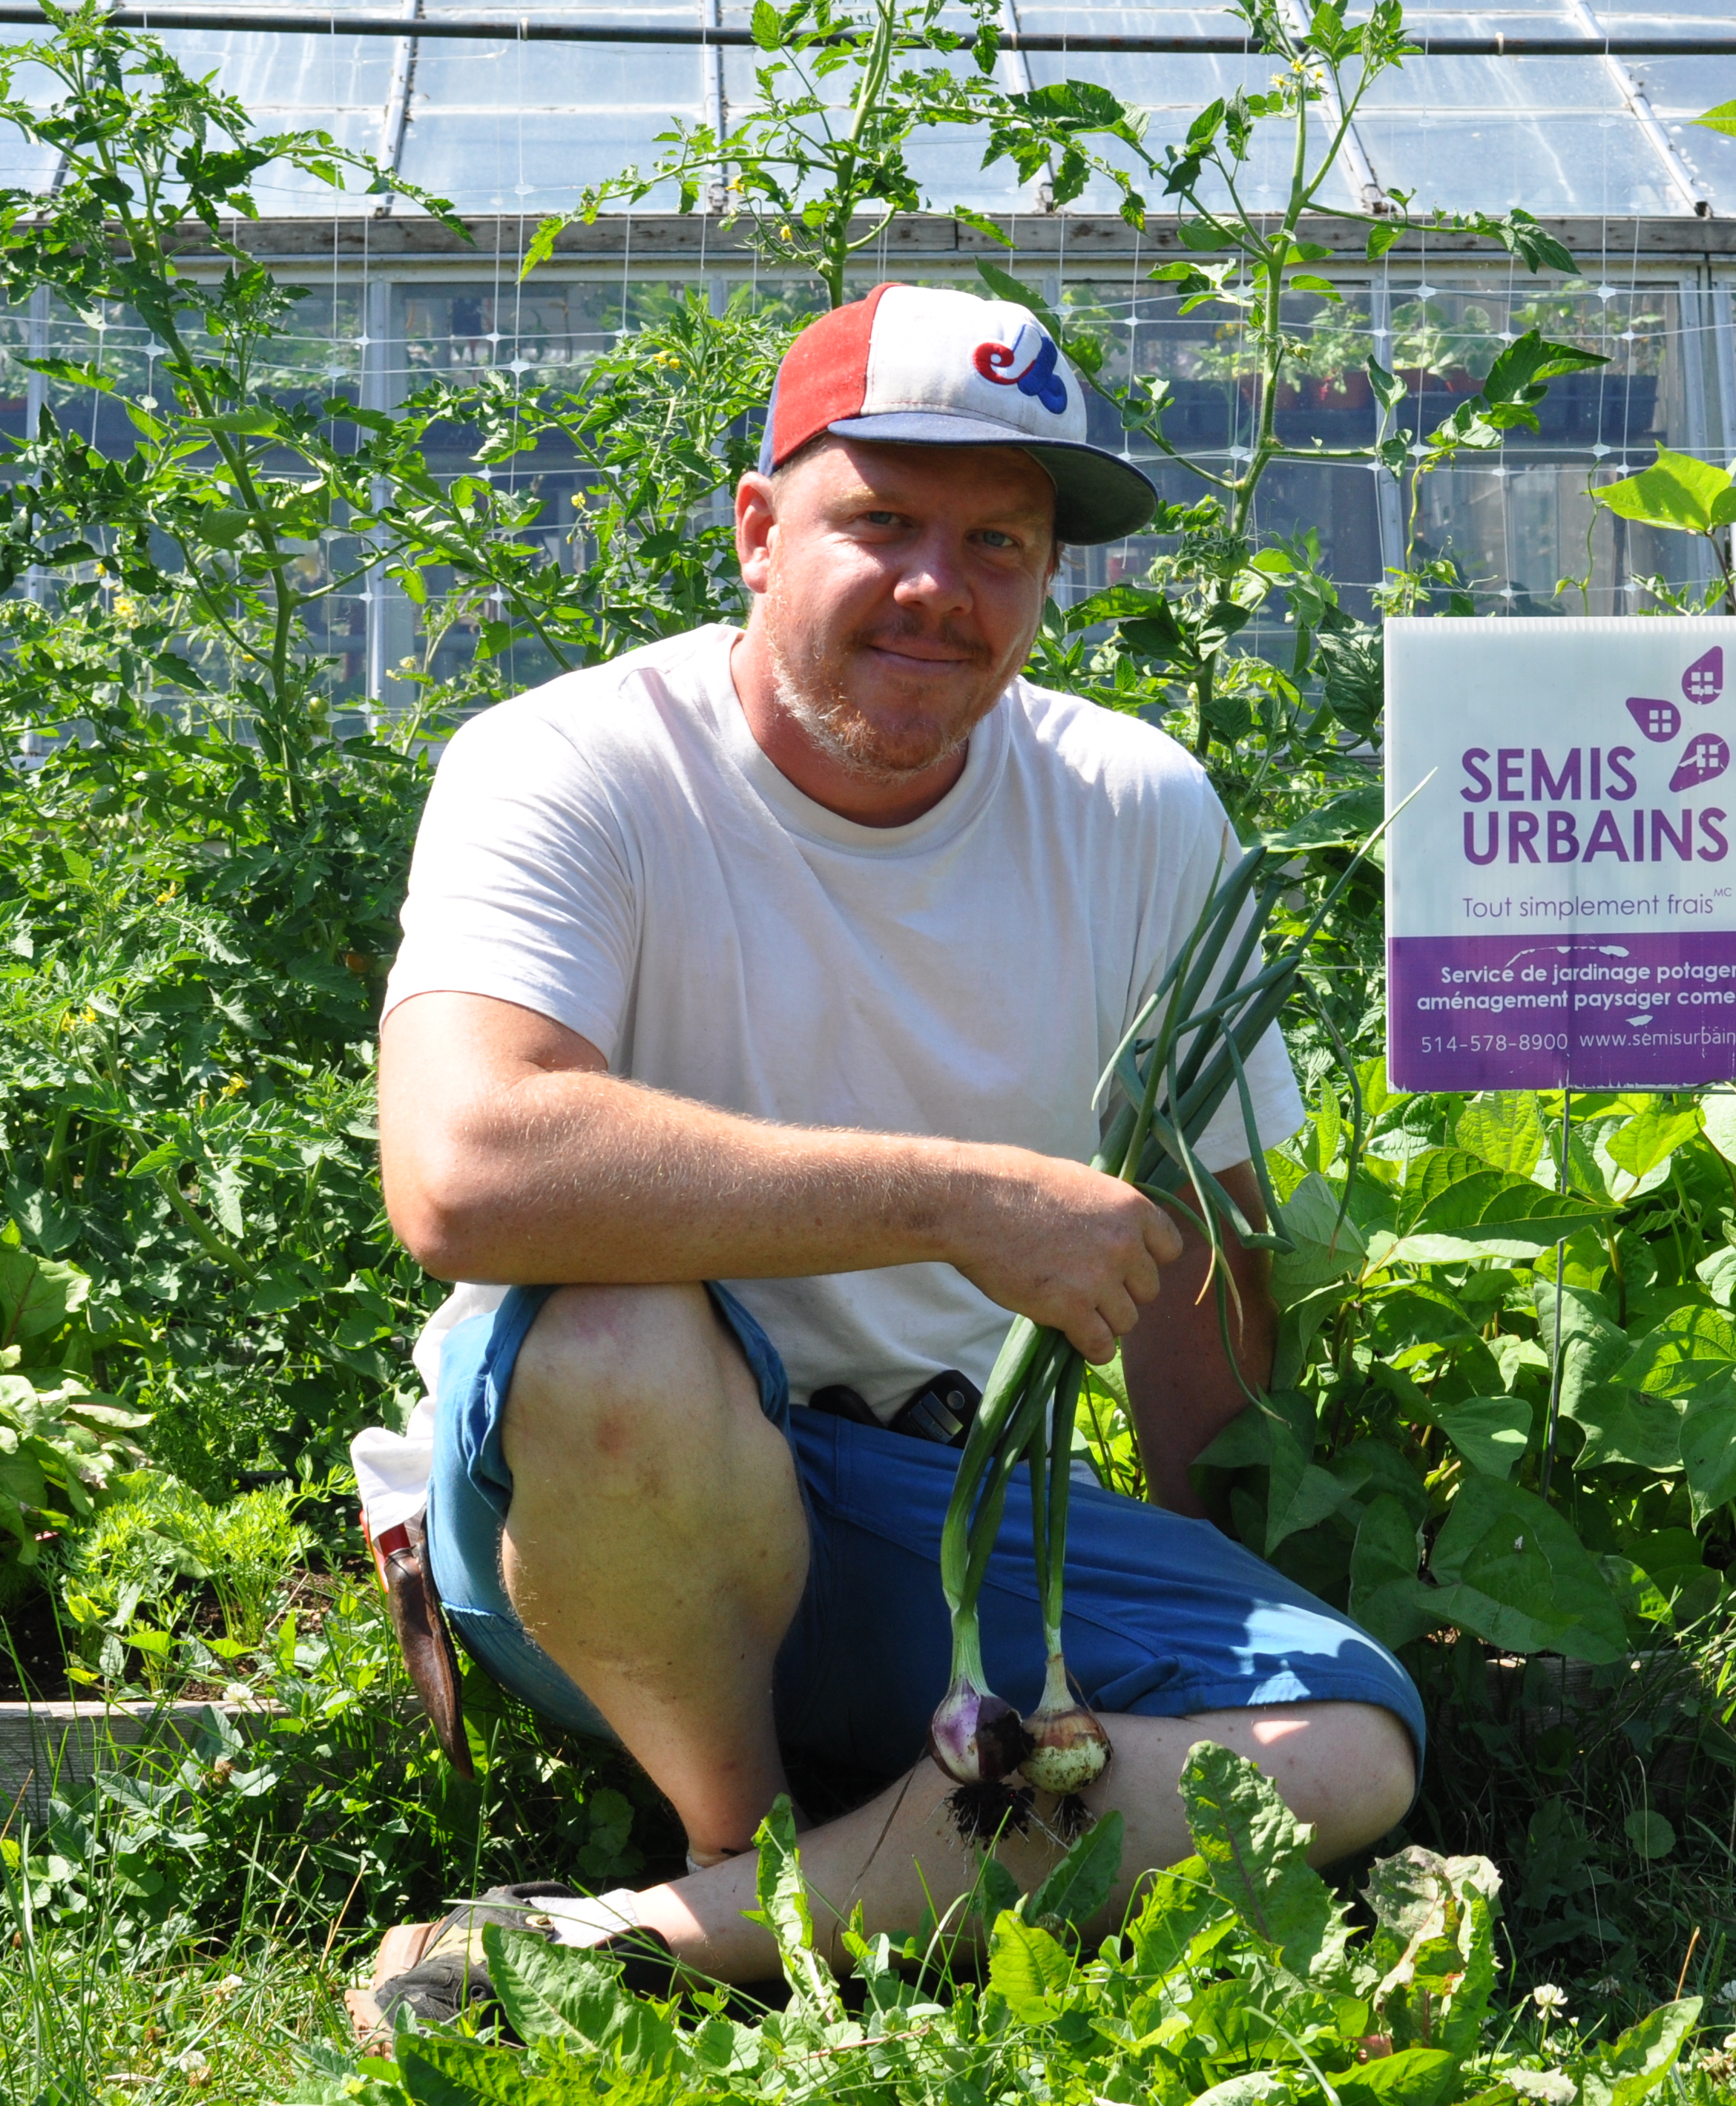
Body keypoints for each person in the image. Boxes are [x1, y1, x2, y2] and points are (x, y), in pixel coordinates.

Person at [346, 284, 1421, 2031]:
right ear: (757, 532)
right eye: (882, 521)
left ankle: (672, 1931)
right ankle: (751, 1831)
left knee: (1346, 1743)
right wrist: (954, 1198)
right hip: (611, 1514)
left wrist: (1193, 1590)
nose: (940, 586)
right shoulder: (567, 764)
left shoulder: (1136, 806)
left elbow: (1200, 1264)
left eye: (998, 541)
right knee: (611, 1337)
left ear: (1048, 576)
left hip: (947, 1505)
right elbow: (462, 1168)